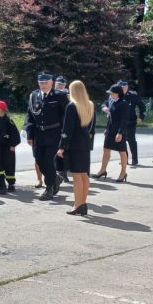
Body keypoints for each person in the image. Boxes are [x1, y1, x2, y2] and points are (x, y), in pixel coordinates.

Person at [24, 72, 68, 201]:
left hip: (54, 134)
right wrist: (29, 134)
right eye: (41, 83)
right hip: (38, 134)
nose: (43, 85)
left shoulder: (60, 95)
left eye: (45, 82)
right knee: (39, 161)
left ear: (51, 83)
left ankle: (49, 189)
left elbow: (66, 117)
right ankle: (56, 178)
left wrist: (64, 135)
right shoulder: (34, 95)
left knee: (49, 161)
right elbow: (30, 115)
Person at [58, 80, 96, 216]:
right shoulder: (90, 105)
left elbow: (67, 129)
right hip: (85, 144)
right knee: (84, 175)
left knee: (76, 176)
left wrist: (62, 146)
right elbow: (92, 129)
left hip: (74, 145)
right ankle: (83, 204)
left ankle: (78, 204)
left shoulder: (72, 106)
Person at [93, 84, 129, 182]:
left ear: (117, 93)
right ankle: (102, 170)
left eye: (112, 93)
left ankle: (123, 173)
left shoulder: (124, 103)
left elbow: (124, 120)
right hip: (110, 130)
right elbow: (110, 118)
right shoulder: (112, 102)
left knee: (122, 152)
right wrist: (107, 128)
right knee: (106, 150)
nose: (110, 95)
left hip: (119, 131)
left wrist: (120, 133)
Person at [0, 100, 21, 191]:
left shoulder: (9, 121)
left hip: (8, 147)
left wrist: (13, 145)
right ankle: (0, 182)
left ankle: (11, 184)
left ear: (0, 109)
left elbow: (16, 135)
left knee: (9, 165)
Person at [120, 80, 146, 166]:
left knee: (131, 140)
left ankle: (135, 159)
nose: (123, 89)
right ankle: (125, 159)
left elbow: (142, 106)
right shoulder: (116, 95)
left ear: (127, 87)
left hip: (130, 121)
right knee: (121, 141)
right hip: (119, 122)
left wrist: (141, 116)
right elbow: (107, 103)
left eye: (125, 87)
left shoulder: (133, 95)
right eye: (122, 87)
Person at [53, 76, 70, 184]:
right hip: (53, 126)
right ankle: (55, 173)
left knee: (63, 151)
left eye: (62, 85)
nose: (60, 86)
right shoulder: (51, 93)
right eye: (59, 84)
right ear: (55, 83)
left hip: (63, 127)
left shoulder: (67, 95)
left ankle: (63, 173)